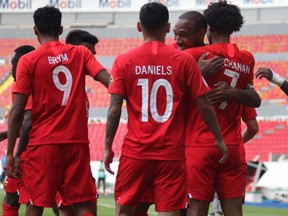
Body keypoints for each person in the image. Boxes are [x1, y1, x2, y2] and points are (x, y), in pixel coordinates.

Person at [104, 2, 227, 216]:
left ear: (139, 26)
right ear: (168, 27)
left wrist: (107, 147)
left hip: (136, 152)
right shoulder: (185, 61)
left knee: (125, 211)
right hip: (171, 154)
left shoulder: (123, 61)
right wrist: (219, 139)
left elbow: (115, 109)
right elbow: (205, 105)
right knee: (169, 212)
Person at [4, 6, 110, 216]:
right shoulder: (80, 53)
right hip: (76, 143)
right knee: (84, 206)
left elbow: (17, 112)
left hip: (43, 143)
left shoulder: (28, 60)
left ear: (35, 30)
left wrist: (11, 154)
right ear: (61, 29)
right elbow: (109, 80)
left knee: (35, 204)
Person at [183, 1, 261, 216]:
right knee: (234, 211)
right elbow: (254, 99)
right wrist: (234, 92)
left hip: (200, 144)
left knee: (197, 209)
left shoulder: (194, 55)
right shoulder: (246, 59)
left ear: (209, 28)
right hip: (233, 147)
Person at [0, 45, 35, 216]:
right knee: (12, 197)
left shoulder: (26, 86)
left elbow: (29, 122)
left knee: (28, 200)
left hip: (31, 152)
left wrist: (15, 154)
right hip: (33, 148)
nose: (11, 68)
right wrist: (7, 134)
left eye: (13, 64)